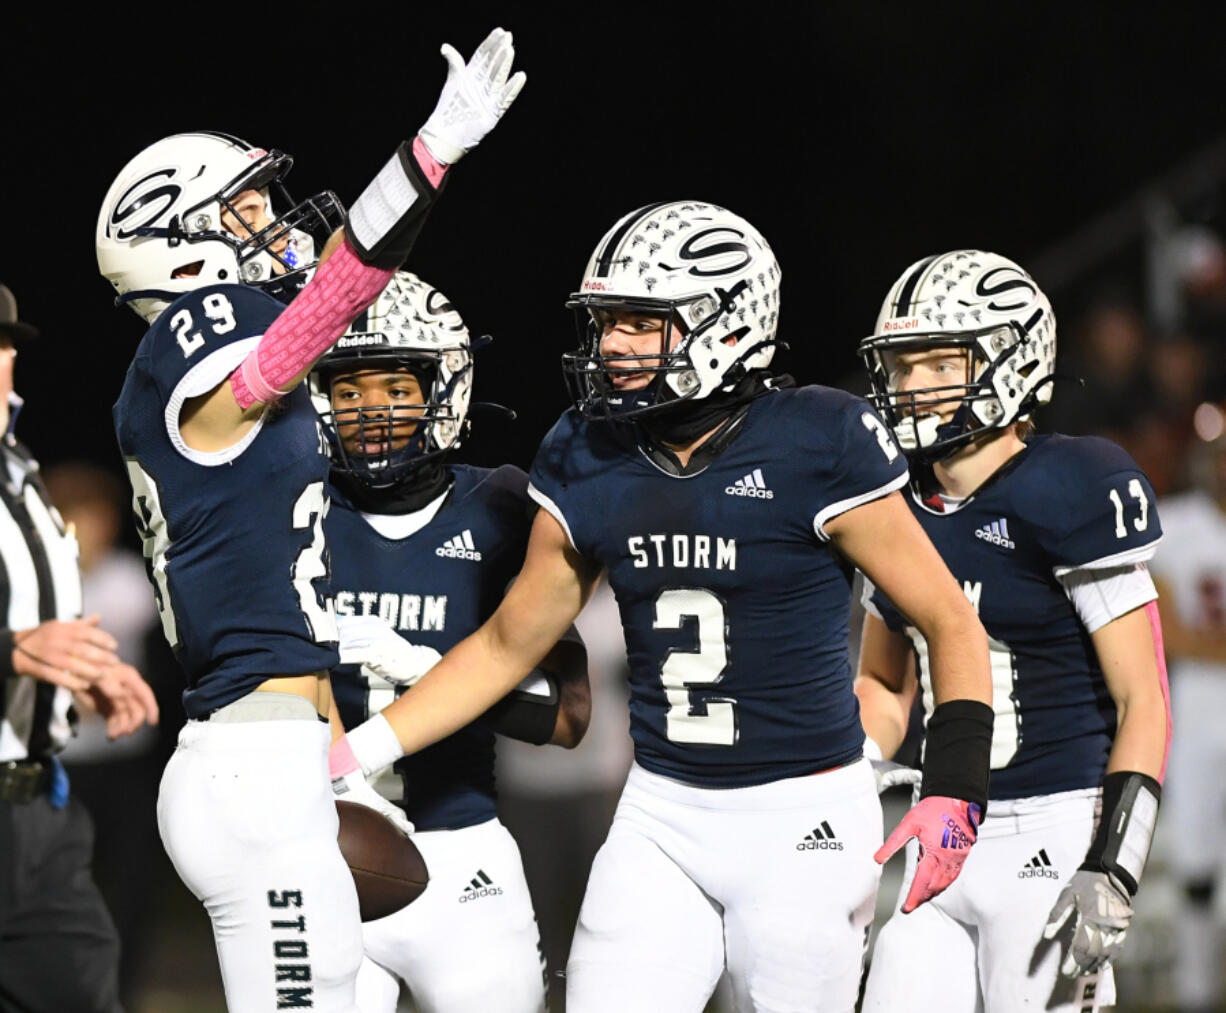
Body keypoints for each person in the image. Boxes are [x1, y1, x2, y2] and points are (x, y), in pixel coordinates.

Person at [328, 202, 995, 1012]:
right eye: (608, 324)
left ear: (728, 323)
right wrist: (350, 755)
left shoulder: (820, 437)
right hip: (662, 807)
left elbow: (946, 617)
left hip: (805, 814)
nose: (612, 346)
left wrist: (956, 787)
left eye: (642, 324)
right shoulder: (586, 448)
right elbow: (507, 644)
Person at [95, 28, 525, 1012]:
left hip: (285, 750)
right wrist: (428, 155)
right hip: (246, 764)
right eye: (241, 209)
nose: (271, 221)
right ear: (181, 247)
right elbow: (335, 293)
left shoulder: (238, 380)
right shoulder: (183, 350)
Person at [854, 250, 1171, 1012]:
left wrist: (1115, 865)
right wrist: (851, 764)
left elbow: (1144, 699)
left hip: (1054, 832)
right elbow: (886, 683)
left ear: (1009, 362)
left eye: (933, 362)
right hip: (941, 831)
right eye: (900, 366)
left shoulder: (1073, 484)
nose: (908, 386)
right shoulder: (891, 506)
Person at [311, 269, 590, 1013]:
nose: (371, 411)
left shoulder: (500, 505)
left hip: (461, 848)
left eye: (396, 389)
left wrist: (429, 673)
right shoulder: (292, 511)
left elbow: (568, 718)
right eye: (348, 390)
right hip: (315, 851)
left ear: (443, 388)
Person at [0, 283, 158, 1013]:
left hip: (37, 804)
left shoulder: (23, 473)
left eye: (4, 349)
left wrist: (72, 678)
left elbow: (35, 629)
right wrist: (11, 650)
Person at [1148, 410, 1226, 1013]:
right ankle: (1198, 988)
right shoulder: (1175, 526)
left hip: (1204, 692)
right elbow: (1169, 631)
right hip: (1198, 706)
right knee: (1196, 859)